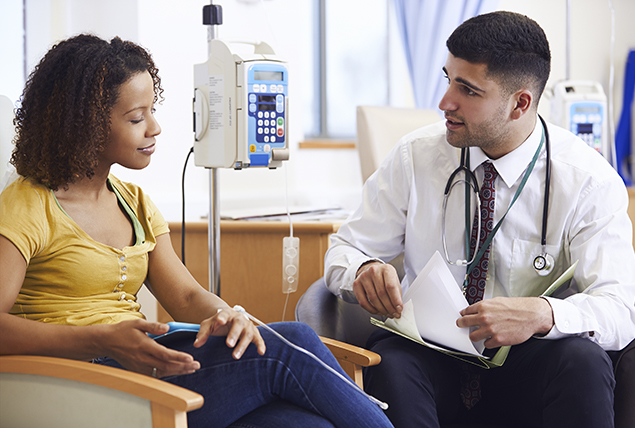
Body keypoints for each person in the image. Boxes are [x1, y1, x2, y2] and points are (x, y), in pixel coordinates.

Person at [0, 34, 394, 428]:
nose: (154, 127)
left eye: (152, 111)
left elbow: (187, 296)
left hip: (150, 359)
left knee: (306, 425)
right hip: (77, 382)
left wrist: (231, 316)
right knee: (291, 345)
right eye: (137, 118)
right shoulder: (27, 206)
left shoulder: (133, 202)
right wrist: (103, 338)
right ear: (83, 123)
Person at [324, 11, 635, 428]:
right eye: (447, 78)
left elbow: (620, 309)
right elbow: (345, 248)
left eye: (467, 90)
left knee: (581, 360)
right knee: (392, 360)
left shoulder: (587, 182)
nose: (444, 102)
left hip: (528, 363)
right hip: (431, 357)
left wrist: (542, 314)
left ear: (520, 103)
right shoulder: (415, 156)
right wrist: (361, 269)